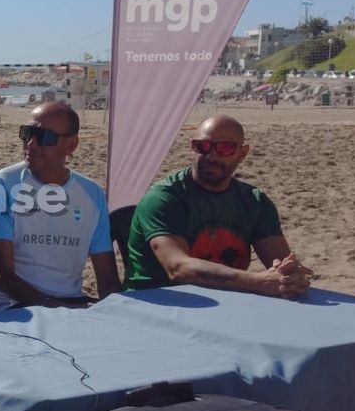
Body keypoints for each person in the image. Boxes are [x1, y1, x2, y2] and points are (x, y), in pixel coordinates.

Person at [125, 114, 313, 298]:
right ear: (193, 147)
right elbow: (179, 269)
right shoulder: (164, 198)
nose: (212, 156)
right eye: (203, 146)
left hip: (225, 303)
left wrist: (290, 276)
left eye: (225, 148)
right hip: (158, 303)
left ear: (243, 153)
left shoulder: (254, 201)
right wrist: (257, 281)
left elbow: (281, 262)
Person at [0, 101, 120, 309]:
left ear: (71, 145)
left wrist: (115, 313)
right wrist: (54, 306)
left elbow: (107, 277)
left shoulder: (92, 194)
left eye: (44, 137)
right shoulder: (0, 186)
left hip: (71, 303)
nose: (31, 144)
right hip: (14, 308)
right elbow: (2, 276)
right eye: (27, 133)